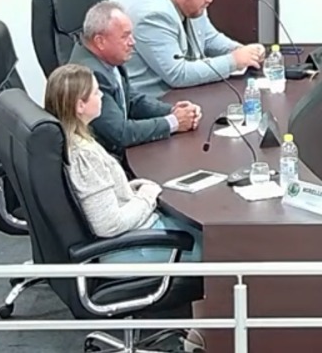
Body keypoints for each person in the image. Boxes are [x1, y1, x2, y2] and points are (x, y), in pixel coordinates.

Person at [43, 62, 204, 264]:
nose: (102, 96)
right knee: (222, 248)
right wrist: (147, 196)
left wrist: (136, 188)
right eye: (96, 92)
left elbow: (104, 195)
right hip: (130, 246)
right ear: (80, 106)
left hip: (136, 231)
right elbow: (109, 225)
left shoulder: (77, 140)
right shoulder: (85, 156)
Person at [66, 0, 202, 162]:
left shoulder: (107, 59)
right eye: (125, 36)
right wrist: (173, 122)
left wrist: (173, 111)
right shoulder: (91, 74)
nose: (132, 42)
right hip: (107, 162)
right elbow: (120, 133)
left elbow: (131, 99)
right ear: (100, 41)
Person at [127, 0, 266, 96]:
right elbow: (178, 74)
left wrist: (241, 50)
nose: (210, 0)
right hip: (157, 99)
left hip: (185, 92)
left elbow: (209, 38)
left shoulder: (191, 4)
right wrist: (234, 61)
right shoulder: (154, 16)